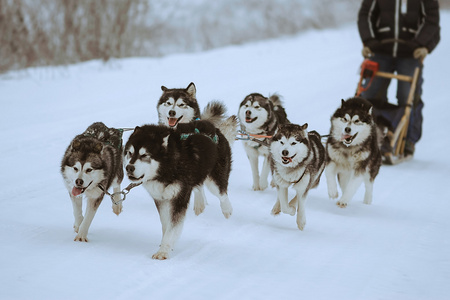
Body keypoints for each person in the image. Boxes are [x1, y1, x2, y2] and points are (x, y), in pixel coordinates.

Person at [357, 0, 440, 156]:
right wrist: (368, 41)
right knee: (369, 94)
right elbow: (365, 15)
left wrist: (423, 45)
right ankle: (367, 136)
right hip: (380, 49)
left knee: (407, 95)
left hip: (411, 52)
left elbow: (432, 20)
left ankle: (407, 139)